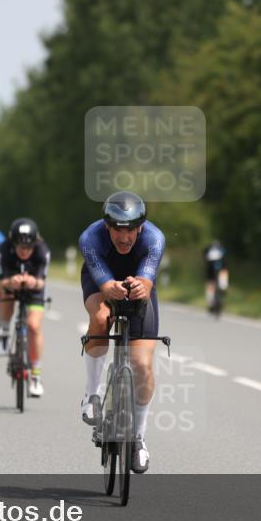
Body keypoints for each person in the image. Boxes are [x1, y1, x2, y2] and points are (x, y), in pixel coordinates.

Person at [79, 191, 165, 474]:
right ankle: (92, 394)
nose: (124, 237)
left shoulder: (154, 239)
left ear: (140, 227)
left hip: (138, 284)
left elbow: (147, 281)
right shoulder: (90, 238)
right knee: (102, 317)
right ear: (107, 226)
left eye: (130, 230)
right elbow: (104, 285)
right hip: (100, 278)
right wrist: (109, 287)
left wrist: (142, 286)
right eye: (117, 229)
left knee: (142, 365)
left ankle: (138, 438)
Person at [0, 218, 50, 397]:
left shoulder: (42, 252)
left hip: (34, 288)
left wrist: (32, 281)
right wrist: (11, 282)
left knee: (34, 326)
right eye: (20, 247)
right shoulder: (4, 250)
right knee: (5, 294)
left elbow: (42, 283)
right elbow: (0, 280)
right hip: (11, 282)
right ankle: (4, 331)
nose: (24, 251)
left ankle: (35, 375)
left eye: (28, 247)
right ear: (13, 244)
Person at [203, 239, 229, 312]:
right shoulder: (222, 250)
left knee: (211, 286)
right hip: (220, 271)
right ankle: (215, 301)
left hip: (217, 272)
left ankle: (212, 302)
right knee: (217, 286)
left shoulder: (209, 251)